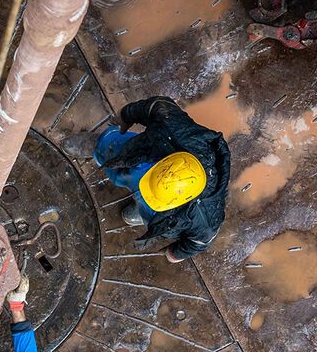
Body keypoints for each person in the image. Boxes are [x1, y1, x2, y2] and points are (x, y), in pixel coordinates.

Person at [93, 95, 231, 263]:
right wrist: (125, 116)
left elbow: (199, 242)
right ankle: (99, 146)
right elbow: (157, 105)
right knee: (118, 153)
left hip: (167, 205)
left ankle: (144, 213)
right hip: (153, 158)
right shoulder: (176, 131)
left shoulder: (206, 219)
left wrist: (175, 254)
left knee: (155, 218)